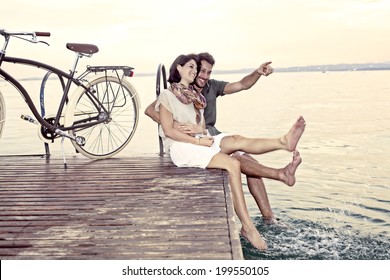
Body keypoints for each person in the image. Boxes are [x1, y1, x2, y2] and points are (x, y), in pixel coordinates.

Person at [155, 54, 304, 250]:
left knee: (238, 141)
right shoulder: (168, 94)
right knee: (235, 162)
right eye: (195, 68)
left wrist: (199, 131)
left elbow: (240, 85)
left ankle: (283, 143)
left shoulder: (196, 96)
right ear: (180, 68)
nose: (200, 73)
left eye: (203, 70)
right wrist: (183, 130)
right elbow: (165, 127)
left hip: (204, 138)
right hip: (184, 146)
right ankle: (250, 224)